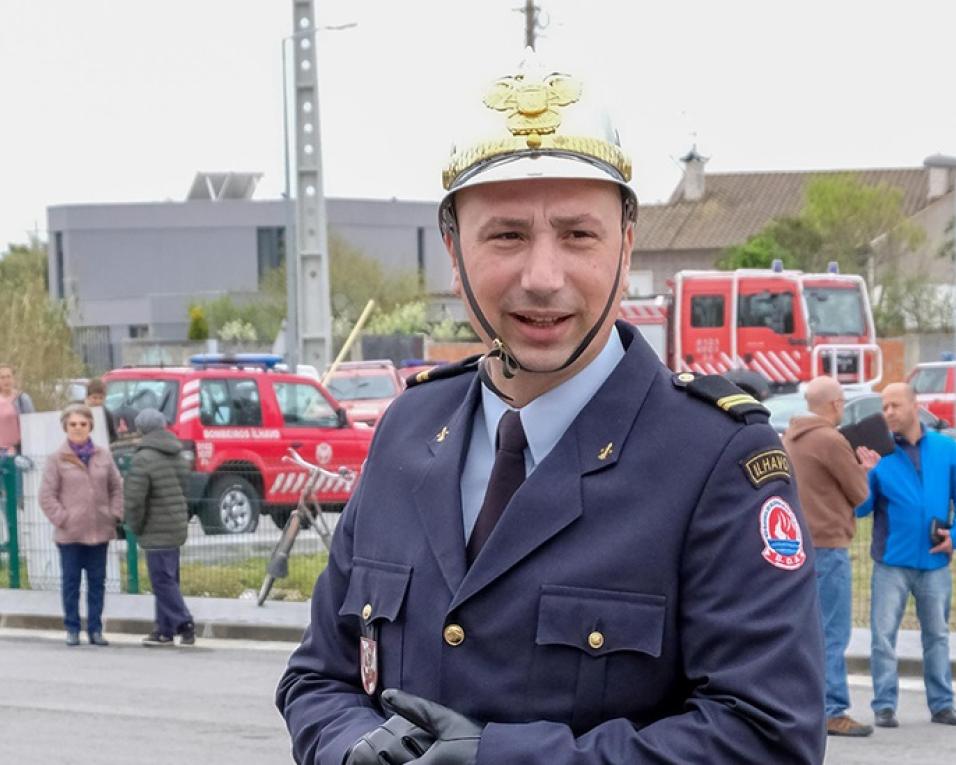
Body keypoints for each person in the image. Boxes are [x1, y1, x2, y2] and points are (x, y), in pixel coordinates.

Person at [277, 52, 825, 764]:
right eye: (506, 235)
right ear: (454, 250)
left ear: (626, 247)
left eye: (578, 235)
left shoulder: (715, 458)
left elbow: (767, 736)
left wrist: (501, 759)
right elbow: (320, 674)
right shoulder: (408, 429)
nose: (543, 277)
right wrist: (351, 744)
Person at [783, 376, 881, 737]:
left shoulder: (792, 437)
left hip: (800, 546)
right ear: (836, 404)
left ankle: (805, 705)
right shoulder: (830, 439)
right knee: (832, 633)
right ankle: (833, 709)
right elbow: (858, 493)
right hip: (828, 546)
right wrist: (864, 470)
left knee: (805, 631)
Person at [856, 382, 956, 728]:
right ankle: (884, 705)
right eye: (884, 407)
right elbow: (861, 510)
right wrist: (865, 475)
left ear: (915, 406)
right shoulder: (879, 456)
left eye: (895, 405)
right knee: (883, 637)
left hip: (935, 562)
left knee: (938, 636)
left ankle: (943, 705)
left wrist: (953, 537)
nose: (888, 413)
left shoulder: (947, 449)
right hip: (891, 563)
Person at [39, 403, 123, 646]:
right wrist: (63, 518)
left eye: (82, 424)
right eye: (73, 424)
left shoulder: (103, 455)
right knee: (71, 583)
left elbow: (116, 487)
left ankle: (95, 629)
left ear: (90, 427)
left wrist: (114, 514)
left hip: (99, 532)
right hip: (70, 535)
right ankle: (72, 628)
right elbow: (46, 496)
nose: (78, 428)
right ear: (65, 427)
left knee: (98, 583)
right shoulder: (56, 459)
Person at [122, 408, 195, 647]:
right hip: (175, 524)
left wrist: (134, 524)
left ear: (141, 428)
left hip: (156, 527)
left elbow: (135, 499)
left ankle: (184, 622)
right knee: (169, 578)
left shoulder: (143, 457)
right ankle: (164, 629)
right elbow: (186, 487)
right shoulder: (176, 452)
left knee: (162, 581)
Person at [0, 363, 35, 455]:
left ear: (13, 378)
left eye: (8, 376)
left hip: (18, 450)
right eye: (2, 377)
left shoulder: (22, 399)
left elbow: (32, 426)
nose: (6, 380)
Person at [85, 377, 118, 443]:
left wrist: (104, 441)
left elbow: (114, 435)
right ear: (88, 397)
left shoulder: (107, 414)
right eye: (94, 398)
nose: (98, 401)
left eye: (101, 398)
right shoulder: (80, 412)